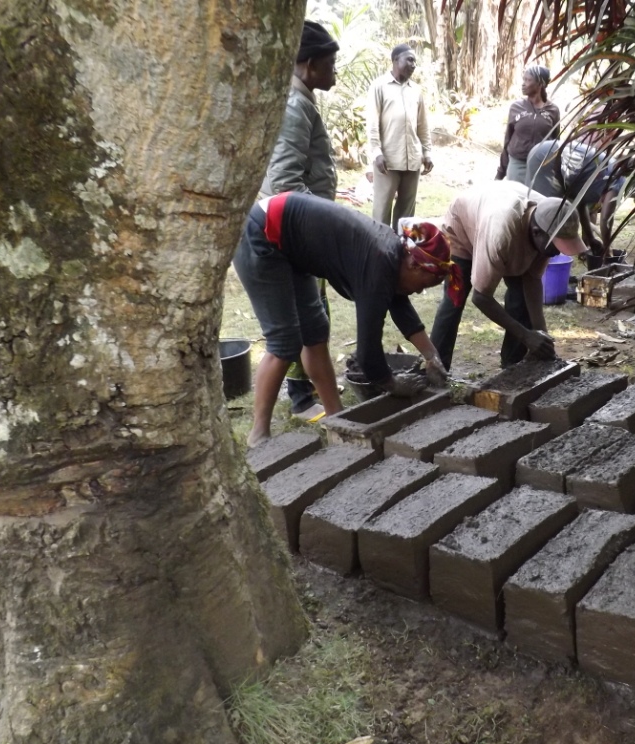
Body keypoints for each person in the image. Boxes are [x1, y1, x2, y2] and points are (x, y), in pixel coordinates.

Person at [233, 192, 457, 447]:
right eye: (426, 284)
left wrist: (431, 355)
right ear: (415, 265)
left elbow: (399, 304)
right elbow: (368, 352)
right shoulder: (379, 262)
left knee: (315, 330)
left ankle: (337, 417)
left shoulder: (394, 254)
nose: (420, 291)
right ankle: (258, 433)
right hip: (263, 234)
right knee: (285, 341)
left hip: (289, 243)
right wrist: (392, 383)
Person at [257, 20, 340, 424]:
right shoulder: (294, 106)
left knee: (313, 320)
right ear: (308, 65)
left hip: (299, 231)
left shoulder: (301, 100)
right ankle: (291, 404)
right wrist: (330, 222)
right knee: (287, 333)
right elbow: (285, 184)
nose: (335, 71)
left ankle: (328, 407)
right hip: (282, 234)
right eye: (330, 63)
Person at [430, 181, 588, 370]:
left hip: (505, 225)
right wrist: (526, 335)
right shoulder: (501, 231)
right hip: (463, 227)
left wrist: (540, 333)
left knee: (520, 296)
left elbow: (532, 280)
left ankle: (513, 367)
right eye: (557, 246)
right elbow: (481, 297)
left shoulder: (551, 218)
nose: (558, 252)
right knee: (454, 300)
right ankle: (436, 370)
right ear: (537, 232)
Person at [525, 138, 625, 270]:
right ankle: (539, 264)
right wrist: (608, 253)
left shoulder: (600, 180)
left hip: (546, 152)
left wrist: (590, 238)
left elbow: (580, 204)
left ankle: (545, 261)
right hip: (546, 157)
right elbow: (606, 220)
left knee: (550, 215)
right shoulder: (618, 179)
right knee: (549, 215)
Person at [365, 43, 433, 231]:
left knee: (406, 216)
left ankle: (401, 252)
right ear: (395, 60)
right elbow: (372, 124)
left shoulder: (416, 91)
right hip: (387, 161)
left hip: (412, 161)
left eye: (415, 62)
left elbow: (422, 125)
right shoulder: (379, 87)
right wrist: (376, 153)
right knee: (381, 212)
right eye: (409, 60)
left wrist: (427, 153)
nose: (413, 65)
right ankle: (378, 252)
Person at [495, 65, 560, 184]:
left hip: (541, 169)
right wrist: (500, 172)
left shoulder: (553, 110)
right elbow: (508, 140)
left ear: (540, 84)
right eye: (523, 79)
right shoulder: (516, 107)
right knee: (516, 201)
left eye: (528, 80)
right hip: (517, 165)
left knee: (536, 202)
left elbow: (556, 143)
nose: (523, 84)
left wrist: (557, 174)